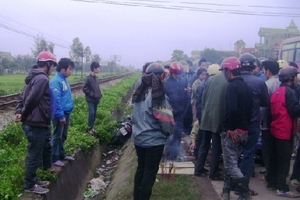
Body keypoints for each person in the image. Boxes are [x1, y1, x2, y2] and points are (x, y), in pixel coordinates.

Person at [15, 51, 57, 194]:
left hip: (36, 123)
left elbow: (22, 97)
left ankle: (33, 179)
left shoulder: (33, 77)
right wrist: (25, 114)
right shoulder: (42, 79)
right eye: (53, 65)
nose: (53, 69)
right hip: (35, 123)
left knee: (37, 152)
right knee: (34, 154)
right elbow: (31, 99)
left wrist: (19, 111)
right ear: (47, 64)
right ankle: (29, 185)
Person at [131, 63, 169, 200]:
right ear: (160, 76)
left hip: (139, 139)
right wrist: (168, 133)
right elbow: (165, 121)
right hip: (154, 141)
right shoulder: (158, 95)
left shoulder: (139, 92)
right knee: (149, 173)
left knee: (141, 169)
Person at [220, 57, 253, 200]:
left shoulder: (232, 87)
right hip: (244, 131)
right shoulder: (246, 86)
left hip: (233, 132)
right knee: (232, 162)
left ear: (228, 71)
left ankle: (245, 194)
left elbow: (232, 109)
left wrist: (232, 128)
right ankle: (226, 191)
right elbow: (251, 109)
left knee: (231, 165)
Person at [265, 66, 300, 198]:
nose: (297, 79)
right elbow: (294, 111)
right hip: (285, 131)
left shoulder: (277, 92)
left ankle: (272, 182)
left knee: (275, 159)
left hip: (275, 129)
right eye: (295, 76)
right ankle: (282, 187)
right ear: (291, 78)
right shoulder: (290, 92)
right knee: (284, 161)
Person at [239, 53, 269, 196]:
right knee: (248, 155)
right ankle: (243, 187)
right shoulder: (259, 82)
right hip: (252, 124)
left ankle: (232, 185)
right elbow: (265, 103)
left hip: (236, 125)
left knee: (233, 156)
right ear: (253, 67)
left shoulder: (233, 82)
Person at [193, 64, 228, 180]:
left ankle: (198, 169)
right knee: (216, 147)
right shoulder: (228, 81)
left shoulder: (209, 81)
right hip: (217, 118)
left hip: (206, 117)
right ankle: (213, 173)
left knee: (204, 144)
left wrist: (202, 115)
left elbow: (202, 99)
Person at [50, 58, 75, 167]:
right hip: (60, 114)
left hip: (66, 112)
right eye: (70, 69)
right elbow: (56, 100)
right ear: (63, 69)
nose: (71, 71)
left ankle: (61, 154)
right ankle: (54, 158)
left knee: (63, 135)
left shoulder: (64, 80)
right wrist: (60, 115)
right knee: (57, 135)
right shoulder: (56, 81)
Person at [164, 61, 191, 161]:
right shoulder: (166, 83)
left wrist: (187, 92)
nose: (178, 77)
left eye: (179, 75)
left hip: (181, 112)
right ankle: (167, 155)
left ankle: (174, 156)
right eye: (176, 75)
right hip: (170, 113)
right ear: (172, 73)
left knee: (178, 134)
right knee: (170, 135)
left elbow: (186, 97)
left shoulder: (184, 81)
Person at [260, 61, 280, 175]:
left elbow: (263, 106)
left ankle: (269, 171)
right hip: (280, 121)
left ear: (268, 71)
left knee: (267, 147)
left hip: (268, 121)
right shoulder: (282, 82)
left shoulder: (268, 85)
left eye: (264, 70)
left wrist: (259, 121)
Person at [82, 62, 102, 136]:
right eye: (98, 68)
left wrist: (100, 95)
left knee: (94, 114)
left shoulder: (96, 78)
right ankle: (89, 128)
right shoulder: (88, 78)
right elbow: (84, 88)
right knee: (92, 113)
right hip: (90, 99)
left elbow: (97, 88)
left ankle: (91, 128)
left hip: (96, 99)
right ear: (94, 69)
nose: (99, 69)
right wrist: (92, 94)